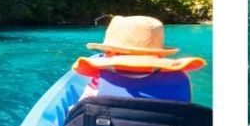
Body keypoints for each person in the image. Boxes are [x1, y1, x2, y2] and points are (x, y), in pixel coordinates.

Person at [69, 15, 205, 102]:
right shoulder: (180, 79)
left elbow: (82, 108)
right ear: (158, 54)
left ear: (111, 53)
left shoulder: (100, 79)